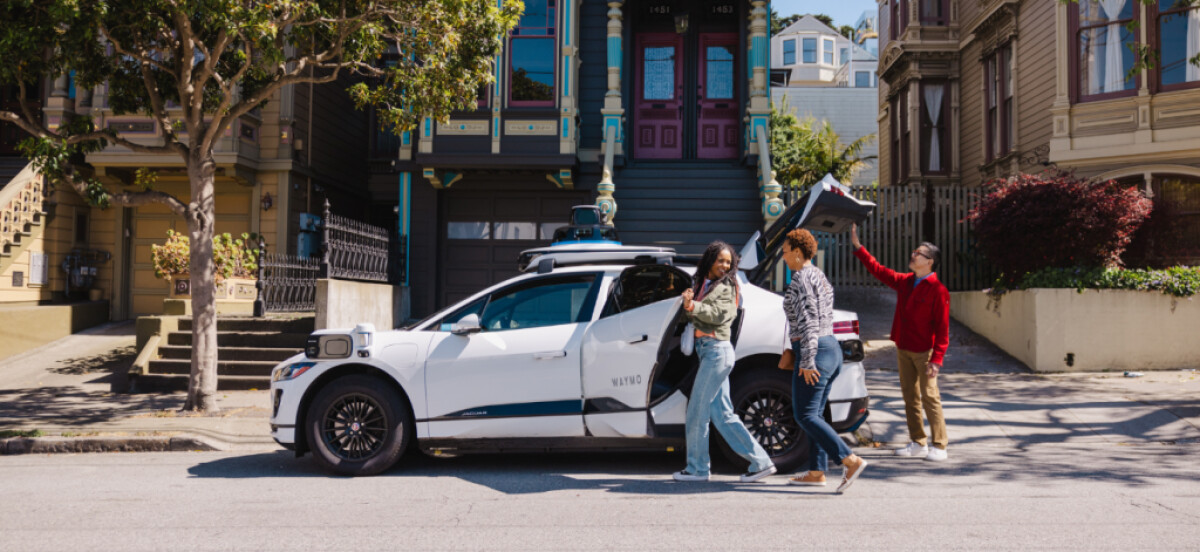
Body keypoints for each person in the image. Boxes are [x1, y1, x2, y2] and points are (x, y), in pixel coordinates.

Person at [673, 241, 777, 483]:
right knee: (722, 415)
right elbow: (694, 314)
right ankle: (761, 462)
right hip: (709, 353)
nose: (724, 265)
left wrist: (693, 305)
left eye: (728, 262)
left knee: (697, 412)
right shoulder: (702, 284)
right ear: (710, 259)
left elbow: (720, 315)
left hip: (716, 352)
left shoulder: (728, 286)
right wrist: (688, 303)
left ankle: (697, 469)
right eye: (720, 260)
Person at [850, 223, 950, 462]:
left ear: (930, 261)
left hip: (925, 352)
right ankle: (918, 442)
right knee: (909, 397)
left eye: (919, 253)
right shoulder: (906, 281)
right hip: (903, 348)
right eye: (914, 252)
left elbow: (943, 330)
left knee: (930, 397)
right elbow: (879, 270)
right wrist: (858, 247)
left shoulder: (938, 290)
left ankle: (940, 445)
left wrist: (937, 359)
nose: (913, 255)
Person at [781, 229, 869, 493]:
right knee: (815, 414)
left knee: (805, 415)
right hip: (831, 348)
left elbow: (808, 321)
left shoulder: (801, 279)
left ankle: (850, 460)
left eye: (785, 251)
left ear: (797, 252)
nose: (784, 257)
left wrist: (807, 360)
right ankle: (817, 471)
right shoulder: (819, 275)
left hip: (815, 350)